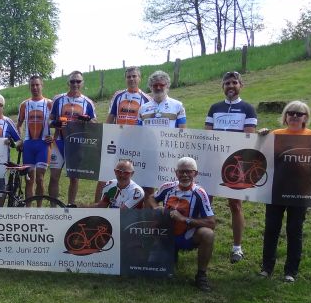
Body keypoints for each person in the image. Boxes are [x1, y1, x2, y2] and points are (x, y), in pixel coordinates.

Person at [258, 101, 311, 283]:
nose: (294, 116)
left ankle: (291, 271)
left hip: (300, 191)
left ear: (305, 118)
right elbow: (261, 155)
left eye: (298, 114)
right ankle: (266, 268)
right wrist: (261, 137)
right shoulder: (275, 135)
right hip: (275, 189)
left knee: (295, 230)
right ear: (285, 116)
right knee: (271, 229)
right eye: (290, 112)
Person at [204, 71, 258, 264]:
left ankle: (237, 248)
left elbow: (248, 137)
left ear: (240, 85)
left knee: (235, 204)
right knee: (205, 202)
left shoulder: (248, 108)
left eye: (234, 82)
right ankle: (203, 242)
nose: (230, 86)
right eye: (227, 83)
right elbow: (208, 136)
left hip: (236, 164)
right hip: (213, 161)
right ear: (223, 87)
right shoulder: (214, 108)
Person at [146, 156, 216, 291]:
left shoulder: (200, 193)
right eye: (181, 171)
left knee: (208, 234)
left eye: (189, 171)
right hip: (166, 234)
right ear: (176, 173)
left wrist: (185, 219)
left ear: (195, 173)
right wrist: (156, 207)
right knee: (156, 273)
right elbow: (151, 198)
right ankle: (169, 255)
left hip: (187, 235)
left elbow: (211, 222)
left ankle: (201, 275)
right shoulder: (167, 187)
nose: (185, 175)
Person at [98, 66, 151, 202]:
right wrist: (105, 137)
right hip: (117, 142)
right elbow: (110, 118)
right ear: (125, 78)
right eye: (129, 76)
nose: (131, 79)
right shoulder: (118, 96)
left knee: (133, 175)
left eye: (134, 76)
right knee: (105, 175)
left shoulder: (146, 99)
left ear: (140, 78)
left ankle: (133, 206)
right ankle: (98, 207)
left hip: (135, 144)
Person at [49, 70, 97, 205]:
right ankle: (53, 208)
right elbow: (49, 121)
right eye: (72, 81)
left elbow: (95, 125)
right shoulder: (58, 99)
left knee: (74, 178)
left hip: (76, 144)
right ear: (68, 83)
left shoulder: (87, 102)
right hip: (59, 142)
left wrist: (87, 120)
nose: (75, 84)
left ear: (82, 83)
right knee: (54, 177)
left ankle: (70, 206)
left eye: (78, 81)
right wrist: (54, 123)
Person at [16, 75, 53, 203]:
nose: (35, 87)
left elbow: (57, 123)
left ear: (42, 86)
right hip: (29, 145)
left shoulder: (49, 103)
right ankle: (28, 210)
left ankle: (39, 210)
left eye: (37, 85)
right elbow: (19, 124)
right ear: (29, 87)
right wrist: (20, 139)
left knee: (40, 179)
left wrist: (54, 136)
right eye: (32, 85)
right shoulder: (24, 105)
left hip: (43, 145)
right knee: (29, 179)